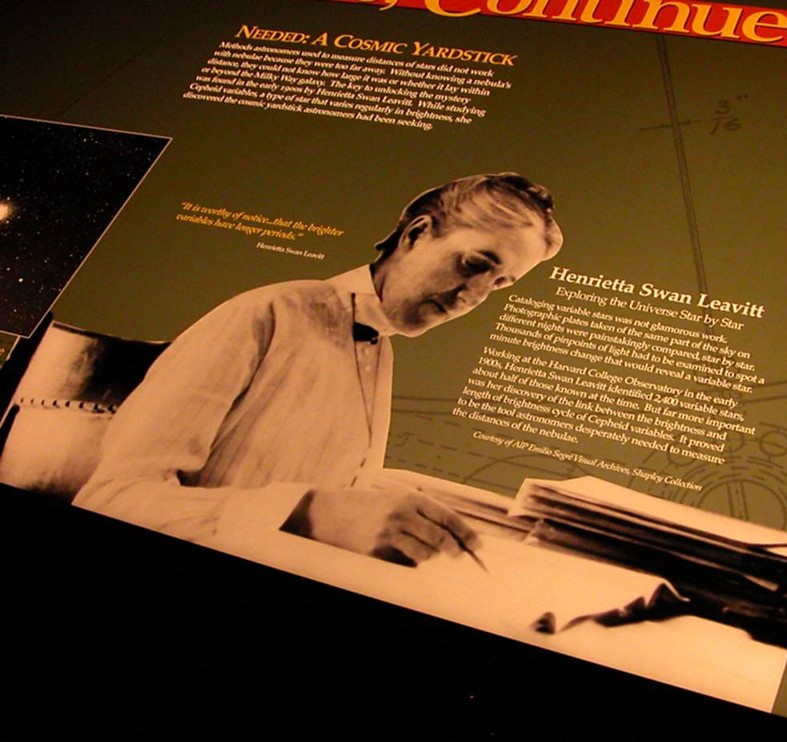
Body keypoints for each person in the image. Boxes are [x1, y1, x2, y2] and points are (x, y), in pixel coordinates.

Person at [74, 172, 563, 567]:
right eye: (475, 264)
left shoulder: (379, 346)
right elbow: (113, 498)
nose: (472, 298)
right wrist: (305, 512)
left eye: (499, 284)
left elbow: (325, 481)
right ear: (416, 234)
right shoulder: (268, 313)